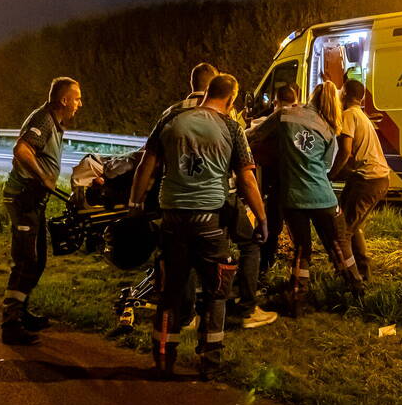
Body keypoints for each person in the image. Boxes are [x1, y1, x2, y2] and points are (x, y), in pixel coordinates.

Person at [128, 73, 267, 379]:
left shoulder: (171, 119)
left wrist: (135, 204)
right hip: (210, 222)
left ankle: (163, 357)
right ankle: (210, 362)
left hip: (172, 220)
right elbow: (246, 178)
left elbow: (145, 163)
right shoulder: (232, 127)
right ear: (230, 99)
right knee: (217, 291)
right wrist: (262, 216)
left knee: (170, 291)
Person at [253, 81, 363, 317]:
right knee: (339, 246)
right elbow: (326, 166)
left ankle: (297, 300)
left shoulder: (284, 116)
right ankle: (357, 292)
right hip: (323, 197)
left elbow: (256, 135)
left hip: (292, 199)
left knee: (302, 250)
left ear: (310, 96)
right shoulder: (329, 127)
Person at [0, 77, 82, 345]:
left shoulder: (56, 123)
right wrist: (43, 177)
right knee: (25, 261)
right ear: (64, 100)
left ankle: (22, 313)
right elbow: (22, 150)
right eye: (77, 98)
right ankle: (10, 323)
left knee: (38, 260)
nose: (80, 104)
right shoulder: (44, 119)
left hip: (34, 201)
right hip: (23, 199)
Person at [330, 79, 390, 281]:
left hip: (368, 179)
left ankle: (350, 278)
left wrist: (331, 174)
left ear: (345, 94)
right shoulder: (361, 115)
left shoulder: (349, 115)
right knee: (352, 227)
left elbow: (345, 151)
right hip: (377, 178)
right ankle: (363, 270)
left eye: (340, 91)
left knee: (343, 231)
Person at [247, 83, 298, 275]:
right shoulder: (304, 114)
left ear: (276, 102)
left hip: (280, 176)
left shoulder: (281, 115)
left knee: (273, 220)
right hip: (300, 178)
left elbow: (256, 134)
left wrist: (236, 136)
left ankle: (265, 265)